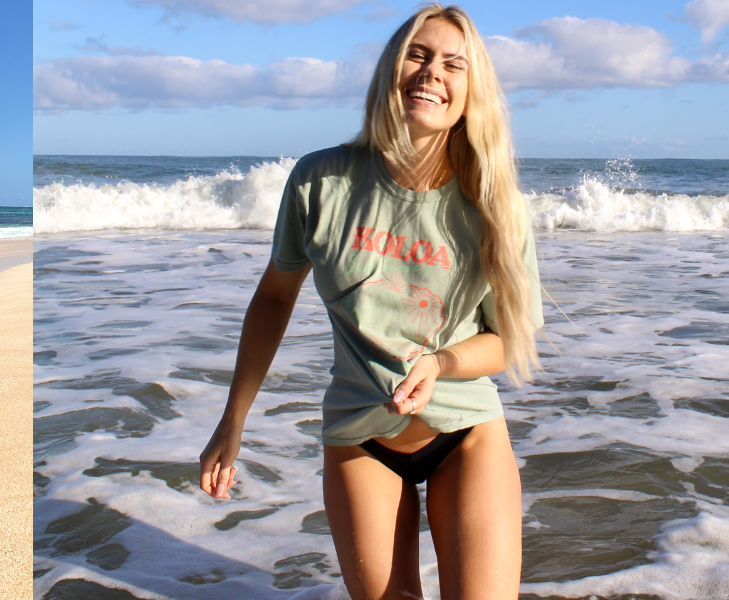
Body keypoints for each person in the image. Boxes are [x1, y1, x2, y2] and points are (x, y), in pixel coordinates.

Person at [197, 4, 542, 598]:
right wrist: (233, 419)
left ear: (471, 92)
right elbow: (274, 298)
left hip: (466, 433)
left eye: (453, 64)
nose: (432, 72)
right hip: (361, 438)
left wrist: (441, 363)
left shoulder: (493, 201)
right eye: (417, 55)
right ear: (389, 71)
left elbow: (510, 340)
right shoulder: (320, 181)